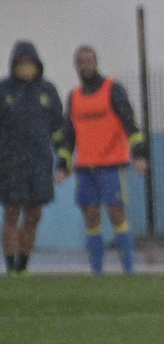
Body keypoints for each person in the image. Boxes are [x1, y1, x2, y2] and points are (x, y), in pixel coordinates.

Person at [60, 46, 149, 275]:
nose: (85, 65)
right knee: (91, 216)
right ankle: (97, 272)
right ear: (76, 65)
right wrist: (63, 164)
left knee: (117, 213)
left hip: (112, 164)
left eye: (89, 61)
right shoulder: (75, 97)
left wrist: (139, 154)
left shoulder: (113, 89)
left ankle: (128, 270)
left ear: (96, 63)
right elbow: (69, 135)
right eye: (81, 62)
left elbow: (130, 121)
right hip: (85, 167)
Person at [0, 41, 67, 276]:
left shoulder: (47, 90)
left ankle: (23, 264)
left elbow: (59, 127)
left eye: (30, 63)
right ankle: (10, 267)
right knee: (11, 212)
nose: (26, 68)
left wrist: (64, 159)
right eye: (21, 63)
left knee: (34, 214)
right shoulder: (4, 90)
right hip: (10, 163)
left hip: (39, 162)